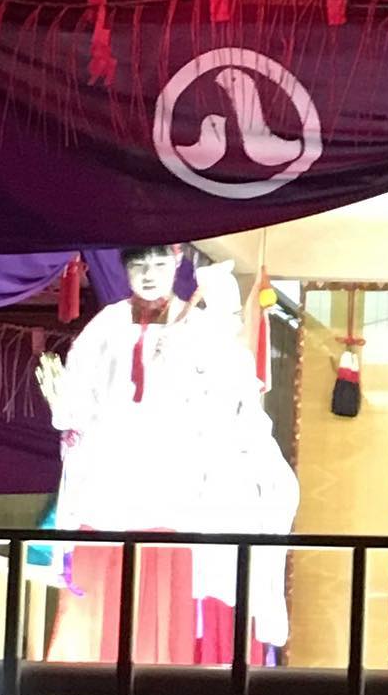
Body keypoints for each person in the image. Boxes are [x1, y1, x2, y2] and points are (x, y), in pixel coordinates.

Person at [37, 244, 298, 665]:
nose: (148, 274)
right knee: (107, 598)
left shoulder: (199, 327)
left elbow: (234, 395)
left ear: (176, 264)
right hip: (115, 482)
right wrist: (68, 412)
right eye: (138, 265)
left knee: (176, 579)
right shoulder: (107, 326)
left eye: (159, 264)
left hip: (180, 483)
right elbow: (79, 403)